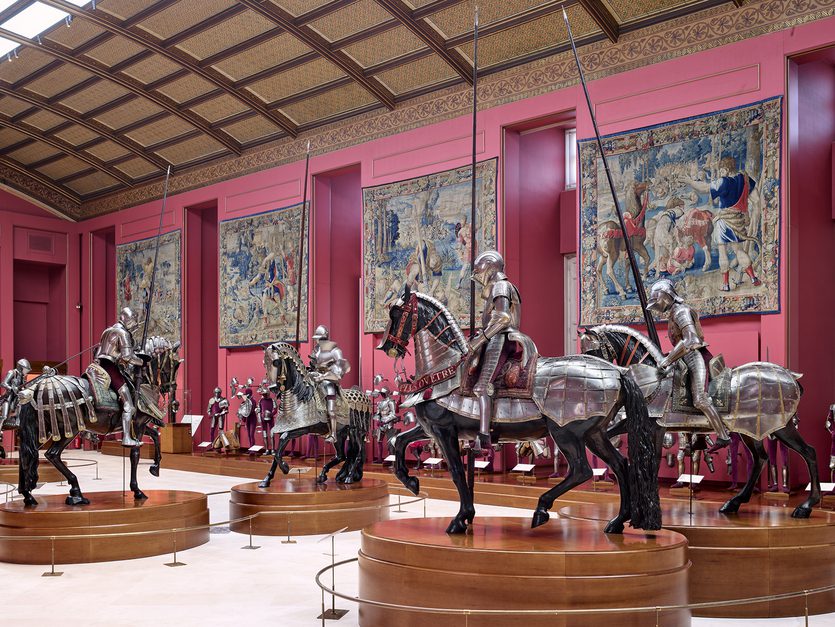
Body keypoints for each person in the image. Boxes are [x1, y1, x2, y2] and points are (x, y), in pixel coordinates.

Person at [647, 279, 730, 452]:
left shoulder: (681, 311)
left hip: (693, 356)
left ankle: (723, 435)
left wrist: (668, 360)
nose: (656, 308)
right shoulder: (673, 313)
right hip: (682, 357)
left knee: (700, 399)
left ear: (665, 296)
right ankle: (695, 435)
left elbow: (691, 339)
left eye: (657, 302)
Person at [468, 250, 522, 451]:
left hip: (500, 339)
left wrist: (480, 339)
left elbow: (503, 318)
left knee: (482, 387)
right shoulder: (498, 287)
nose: (478, 275)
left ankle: (484, 438)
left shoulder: (501, 285)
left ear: (490, 267)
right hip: (494, 338)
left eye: (479, 270)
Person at [682, 156, 760, 291]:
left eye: (722, 170)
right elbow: (757, 200)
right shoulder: (745, 179)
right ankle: (754, 278)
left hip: (724, 221)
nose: (721, 173)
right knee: (739, 250)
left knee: (722, 251)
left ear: (726, 169)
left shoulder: (724, 182)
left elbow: (704, 188)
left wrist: (690, 181)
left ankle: (725, 285)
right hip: (737, 221)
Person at [95, 307, 144, 446]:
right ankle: (127, 437)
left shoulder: (107, 331)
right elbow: (128, 357)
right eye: (134, 320)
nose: (135, 323)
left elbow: (98, 352)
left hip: (98, 366)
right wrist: (142, 361)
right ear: (128, 319)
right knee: (129, 404)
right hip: (111, 367)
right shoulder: (123, 333)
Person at [308, 325, 350, 444]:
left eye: (319, 338)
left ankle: (333, 434)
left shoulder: (335, 351)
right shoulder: (316, 351)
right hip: (316, 379)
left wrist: (325, 376)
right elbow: (313, 365)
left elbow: (340, 369)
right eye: (317, 338)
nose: (317, 341)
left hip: (328, 381)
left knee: (331, 410)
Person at [0, 358, 31, 430]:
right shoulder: (12, 372)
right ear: (20, 367)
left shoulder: (22, 377)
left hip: (17, 398)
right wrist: (11, 388)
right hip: (8, 397)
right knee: (4, 416)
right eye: (25, 369)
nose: (26, 372)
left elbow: (23, 387)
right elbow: (3, 383)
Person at [256, 380, 276, 454]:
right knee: (264, 434)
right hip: (263, 418)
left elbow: (275, 409)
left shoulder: (272, 400)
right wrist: (259, 417)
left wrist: (271, 414)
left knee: (272, 434)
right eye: (263, 394)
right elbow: (258, 409)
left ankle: (273, 449)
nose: (264, 395)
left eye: (265, 394)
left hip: (270, 418)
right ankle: (267, 449)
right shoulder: (261, 401)